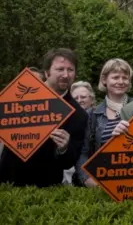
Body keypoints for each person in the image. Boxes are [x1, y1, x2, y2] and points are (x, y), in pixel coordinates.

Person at [0, 48, 88, 187]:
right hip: (7, 181)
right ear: (47, 72)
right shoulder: (20, 96)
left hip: (44, 189)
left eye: (70, 70)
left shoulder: (78, 114)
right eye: (60, 69)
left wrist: (64, 148)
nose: (65, 75)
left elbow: (69, 162)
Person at [76, 59, 133, 187]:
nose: (120, 81)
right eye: (115, 77)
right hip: (102, 184)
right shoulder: (92, 115)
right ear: (104, 80)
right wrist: (87, 179)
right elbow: (83, 152)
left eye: (125, 78)